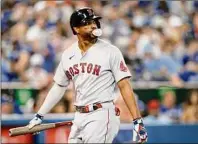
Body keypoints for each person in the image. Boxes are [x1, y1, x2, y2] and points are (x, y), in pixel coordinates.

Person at [27, 7, 147, 143]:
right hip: (79, 115)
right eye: (87, 23)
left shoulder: (110, 51)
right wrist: (39, 115)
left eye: (94, 22)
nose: (93, 25)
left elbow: (124, 86)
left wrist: (137, 121)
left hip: (102, 113)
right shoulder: (68, 54)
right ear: (76, 29)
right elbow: (59, 86)